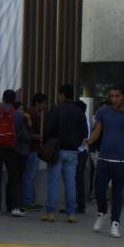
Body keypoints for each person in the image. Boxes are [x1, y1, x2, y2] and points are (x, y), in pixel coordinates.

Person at [84, 85, 124, 238]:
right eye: (112, 96)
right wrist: (89, 142)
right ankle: (101, 212)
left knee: (118, 194)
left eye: (117, 96)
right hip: (103, 158)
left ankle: (115, 223)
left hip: (121, 161)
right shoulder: (104, 112)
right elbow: (98, 130)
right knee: (99, 190)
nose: (114, 99)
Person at [41, 85, 88, 223]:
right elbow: (84, 133)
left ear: (61, 95)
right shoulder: (79, 112)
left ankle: (50, 213)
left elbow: (48, 129)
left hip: (57, 150)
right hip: (73, 151)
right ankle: (71, 213)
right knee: (71, 183)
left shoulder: (56, 109)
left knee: (53, 182)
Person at [0, 90, 26, 217]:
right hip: (11, 149)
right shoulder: (18, 115)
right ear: (14, 100)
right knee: (13, 178)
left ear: (3, 98)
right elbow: (19, 132)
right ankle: (13, 206)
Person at [22, 93, 47, 211]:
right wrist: (37, 137)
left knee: (30, 176)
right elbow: (27, 133)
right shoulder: (30, 114)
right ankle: (28, 201)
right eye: (43, 103)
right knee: (29, 176)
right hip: (31, 149)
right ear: (37, 103)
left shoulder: (34, 114)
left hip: (33, 149)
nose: (44, 106)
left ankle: (29, 200)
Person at [74, 100, 90, 214]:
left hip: (80, 152)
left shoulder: (83, 121)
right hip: (81, 152)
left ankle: (79, 205)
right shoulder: (84, 120)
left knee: (78, 180)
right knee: (77, 180)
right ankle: (78, 204)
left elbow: (83, 140)